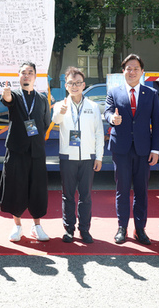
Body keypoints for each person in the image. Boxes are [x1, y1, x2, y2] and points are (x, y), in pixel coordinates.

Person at [104, 53, 159, 245]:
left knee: (141, 191)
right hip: (121, 149)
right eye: (128, 68)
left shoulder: (151, 94)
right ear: (123, 71)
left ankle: (140, 229)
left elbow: (157, 122)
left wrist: (156, 150)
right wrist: (112, 119)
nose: (132, 71)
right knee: (122, 190)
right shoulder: (114, 92)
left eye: (136, 68)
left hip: (143, 150)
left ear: (142, 71)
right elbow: (108, 111)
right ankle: (122, 228)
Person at [0, 61, 51, 242]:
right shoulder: (14, 95)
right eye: (23, 72)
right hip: (17, 150)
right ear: (19, 76)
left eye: (30, 72)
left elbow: (46, 122)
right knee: (16, 187)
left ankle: (37, 226)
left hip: (36, 151)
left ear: (35, 76)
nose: (26, 75)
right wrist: (6, 95)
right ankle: (17, 226)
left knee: (37, 188)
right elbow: (7, 100)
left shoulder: (42, 99)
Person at [52, 67, 104, 244]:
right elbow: (55, 120)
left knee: (86, 196)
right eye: (71, 83)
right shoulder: (60, 105)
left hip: (88, 157)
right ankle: (69, 229)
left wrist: (99, 157)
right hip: (68, 157)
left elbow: (99, 133)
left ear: (84, 85)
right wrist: (61, 112)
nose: (74, 86)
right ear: (66, 86)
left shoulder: (93, 107)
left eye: (78, 83)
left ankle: (84, 229)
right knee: (67, 195)